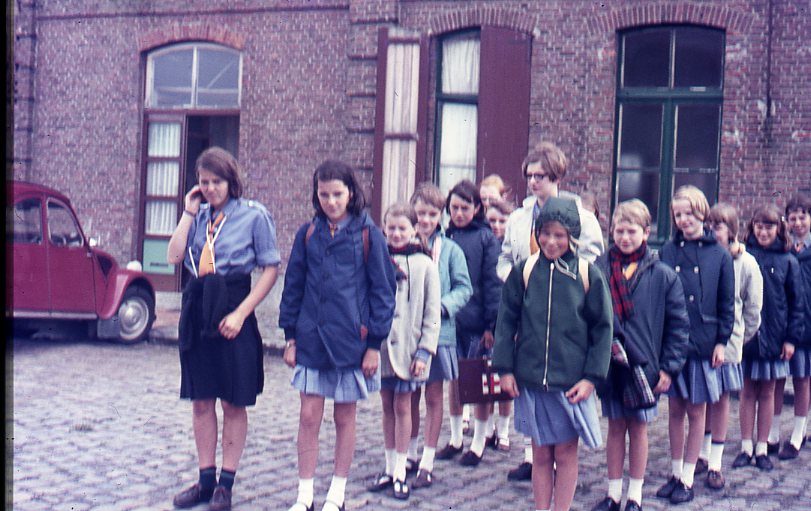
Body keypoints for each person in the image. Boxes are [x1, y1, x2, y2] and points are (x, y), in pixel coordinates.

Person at [167, 147, 281, 511]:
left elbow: (271, 267)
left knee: (233, 401)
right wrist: (188, 212)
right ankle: (205, 480)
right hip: (199, 307)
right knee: (201, 399)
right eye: (204, 182)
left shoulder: (254, 216)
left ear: (232, 181)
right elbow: (174, 256)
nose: (211, 188)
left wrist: (242, 314)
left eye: (217, 181)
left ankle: (225, 485)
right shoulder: (198, 216)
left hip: (233, 304)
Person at [279, 160, 397, 511]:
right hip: (312, 340)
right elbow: (293, 286)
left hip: (351, 343)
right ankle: (305, 495)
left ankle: (337, 493)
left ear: (351, 193)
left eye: (337, 194)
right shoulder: (308, 234)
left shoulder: (369, 234)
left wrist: (374, 345)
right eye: (324, 195)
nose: (331, 202)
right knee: (308, 416)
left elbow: (383, 292)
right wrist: (290, 337)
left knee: (344, 417)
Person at [492, 197, 612, 511]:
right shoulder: (525, 271)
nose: (551, 241)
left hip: (570, 385)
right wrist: (505, 369)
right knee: (541, 453)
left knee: (566, 453)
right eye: (545, 233)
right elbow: (506, 321)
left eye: (559, 235)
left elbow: (603, 330)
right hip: (532, 381)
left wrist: (591, 378)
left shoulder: (587, 274)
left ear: (572, 236)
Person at [591, 199, 689, 511]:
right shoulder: (598, 269)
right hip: (611, 364)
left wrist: (669, 368)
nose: (624, 237)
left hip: (645, 366)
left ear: (646, 233)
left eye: (631, 231)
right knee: (615, 427)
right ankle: (613, 494)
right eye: (619, 231)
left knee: (638, 428)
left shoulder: (663, 275)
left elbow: (678, 327)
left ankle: (635, 495)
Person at [656, 185, 734, 505]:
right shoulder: (667, 252)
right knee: (675, 410)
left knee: (696, 410)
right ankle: (676, 472)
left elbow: (726, 303)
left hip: (703, 343)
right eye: (678, 214)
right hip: (674, 345)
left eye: (689, 213)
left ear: (702, 212)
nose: (684, 219)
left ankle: (689, 476)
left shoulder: (719, 254)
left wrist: (721, 342)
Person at [367, 202, 441, 501]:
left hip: (410, 351)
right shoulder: (377, 259)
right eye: (391, 228)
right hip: (382, 349)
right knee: (386, 406)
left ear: (414, 229)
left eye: (402, 228)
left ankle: (401, 469)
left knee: (403, 406)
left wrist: (424, 352)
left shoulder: (425, 265)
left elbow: (432, 314)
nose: (396, 234)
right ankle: (388, 467)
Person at [407, 183, 473, 489]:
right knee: (408, 395)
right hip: (408, 332)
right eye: (420, 213)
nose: (425, 220)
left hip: (439, 332)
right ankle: (408, 453)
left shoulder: (450, 250)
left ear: (440, 216)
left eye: (432, 214)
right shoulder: (401, 242)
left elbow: (464, 288)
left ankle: (428, 460)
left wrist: (442, 307)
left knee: (433, 396)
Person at [694, 203, 763, 490]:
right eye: (708, 225)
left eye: (718, 226)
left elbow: (753, 308)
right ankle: (701, 452)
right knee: (703, 399)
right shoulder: (703, 256)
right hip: (704, 340)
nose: (711, 231)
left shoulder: (745, 263)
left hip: (729, 343)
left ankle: (716, 462)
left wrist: (739, 339)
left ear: (732, 230)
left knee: (721, 400)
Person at [732, 205, 804, 473]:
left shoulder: (788, 261)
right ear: (752, 228)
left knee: (768, 392)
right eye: (759, 227)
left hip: (774, 338)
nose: (763, 232)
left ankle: (762, 447)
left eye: (769, 227)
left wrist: (791, 339)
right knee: (747, 392)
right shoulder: (744, 256)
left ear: (779, 229)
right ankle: (745, 446)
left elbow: (797, 305)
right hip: (748, 338)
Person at [436, 180, 503, 468]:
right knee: (454, 381)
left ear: (477, 208)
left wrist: (491, 324)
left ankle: (478, 441)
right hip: (452, 321)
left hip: (477, 323)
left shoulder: (486, 239)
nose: (459, 213)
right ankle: (455, 438)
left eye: (465, 208)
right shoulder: (445, 236)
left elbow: (492, 284)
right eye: (454, 208)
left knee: (479, 383)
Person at [772, 196, 811, 460]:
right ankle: (773, 432)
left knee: (801, 379)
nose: (797, 223)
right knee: (777, 379)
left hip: (806, 325)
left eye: (803, 217)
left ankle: (798, 433)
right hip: (783, 326)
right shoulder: (784, 249)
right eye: (793, 218)